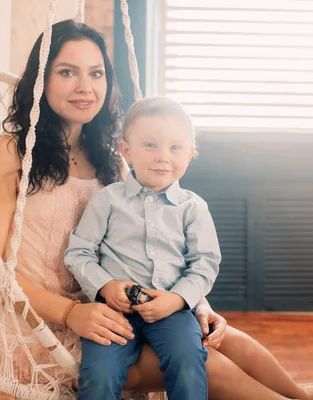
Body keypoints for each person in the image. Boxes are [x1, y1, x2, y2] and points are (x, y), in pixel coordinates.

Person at [0, 18, 313, 400]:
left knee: (223, 338)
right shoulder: (10, 153)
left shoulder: (110, 158)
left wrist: (196, 302)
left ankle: (302, 394)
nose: (85, 86)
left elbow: (147, 245)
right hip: (40, 327)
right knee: (203, 361)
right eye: (68, 72)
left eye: (96, 73)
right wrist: (71, 313)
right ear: (41, 79)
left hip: (116, 309)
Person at [65, 96, 221, 400]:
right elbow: (78, 251)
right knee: (98, 375)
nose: (163, 157)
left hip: (171, 311)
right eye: (150, 145)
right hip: (114, 312)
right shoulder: (109, 200)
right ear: (127, 151)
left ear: (190, 154)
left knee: (189, 362)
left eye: (175, 148)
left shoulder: (193, 208)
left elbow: (205, 264)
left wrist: (177, 300)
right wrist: (106, 286)